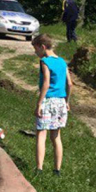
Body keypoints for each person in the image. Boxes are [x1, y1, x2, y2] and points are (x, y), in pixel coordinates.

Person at [31, 34, 71, 176]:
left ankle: (39, 169)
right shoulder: (62, 62)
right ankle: (57, 170)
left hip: (48, 101)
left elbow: (46, 83)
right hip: (60, 102)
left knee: (41, 135)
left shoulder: (45, 61)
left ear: (42, 47)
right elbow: (70, 83)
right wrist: (67, 102)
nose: (36, 53)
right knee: (56, 136)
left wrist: (39, 104)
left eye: (36, 49)